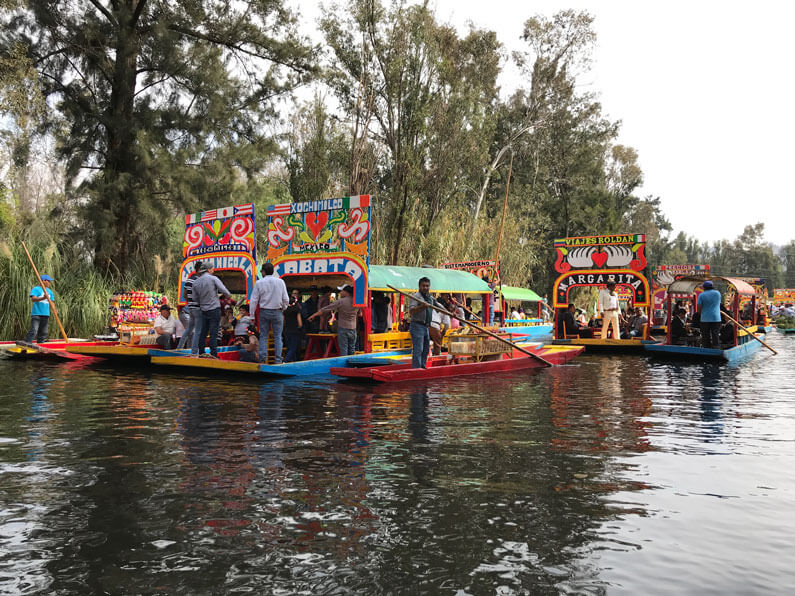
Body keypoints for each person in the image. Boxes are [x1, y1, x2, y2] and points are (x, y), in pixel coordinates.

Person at [249, 262, 289, 364]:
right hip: (277, 311)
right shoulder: (280, 282)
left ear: (263, 271)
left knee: (263, 336)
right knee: (278, 336)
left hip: (264, 311)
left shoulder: (259, 283)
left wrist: (252, 315)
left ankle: (262, 359)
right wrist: (283, 308)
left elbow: (253, 300)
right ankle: (278, 360)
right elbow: (286, 299)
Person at [191, 263, 232, 358]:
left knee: (203, 332)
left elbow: (194, 299)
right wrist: (228, 297)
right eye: (212, 269)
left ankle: (201, 352)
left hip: (203, 310)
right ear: (209, 270)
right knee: (213, 333)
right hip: (214, 309)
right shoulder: (213, 279)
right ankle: (213, 354)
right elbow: (225, 292)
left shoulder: (196, 282)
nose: (213, 271)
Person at [308, 285, 361, 356]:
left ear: (346, 292)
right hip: (353, 329)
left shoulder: (341, 301)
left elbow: (325, 309)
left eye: (341, 291)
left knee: (343, 350)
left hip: (343, 328)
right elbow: (360, 314)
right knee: (352, 349)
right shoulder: (357, 301)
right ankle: (351, 366)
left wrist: (313, 315)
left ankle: (344, 366)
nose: (340, 293)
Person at [408, 277, 439, 368]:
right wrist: (422, 306)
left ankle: (422, 366)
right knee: (419, 349)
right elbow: (411, 311)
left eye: (427, 286)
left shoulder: (430, 297)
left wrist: (450, 312)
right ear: (419, 286)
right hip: (417, 325)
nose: (425, 288)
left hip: (426, 326)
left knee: (426, 349)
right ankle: (416, 369)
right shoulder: (416, 297)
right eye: (423, 286)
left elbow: (439, 306)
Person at [24, 274, 56, 344]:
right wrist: (43, 298)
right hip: (37, 313)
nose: (50, 283)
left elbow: (52, 302)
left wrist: (54, 309)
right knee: (34, 330)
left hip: (46, 314)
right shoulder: (36, 289)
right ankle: (27, 343)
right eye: (49, 281)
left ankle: (40, 344)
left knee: (44, 332)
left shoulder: (49, 291)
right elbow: (33, 299)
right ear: (44, 281)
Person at [177, 266, 200, 349]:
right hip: (186, 313)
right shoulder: (198, 281)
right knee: (190, 331)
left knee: (190, 331)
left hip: (186, 312)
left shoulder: (189, 280)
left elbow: (184, 295)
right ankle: (180, 348)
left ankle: (188, 349)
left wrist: (189, 302)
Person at [697, 280, 723, 349]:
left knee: (705, 335)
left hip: (705, 318)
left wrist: (701, 314)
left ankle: (707, 348)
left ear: (704, 287)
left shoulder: (701, 295)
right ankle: (716, 348)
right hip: (716, 318)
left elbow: (699, 308)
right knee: (715, 334)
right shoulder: (717, 293)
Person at [283, 289, 303, 362]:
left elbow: (283, 322)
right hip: (295, 330)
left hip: (287, 331)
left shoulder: (285, 311)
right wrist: (300, 327)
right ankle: (285, 361)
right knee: (294, 348)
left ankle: (293, 361)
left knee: (289, 347)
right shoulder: (297, 310)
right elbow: (300, 323)